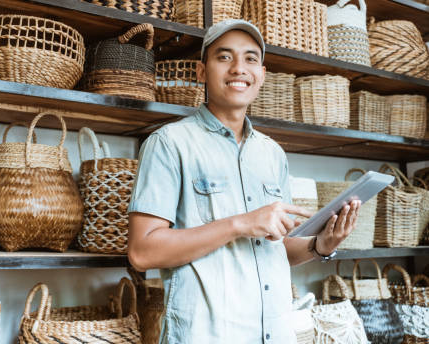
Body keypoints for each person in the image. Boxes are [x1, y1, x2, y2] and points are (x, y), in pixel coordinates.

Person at [127, 19, 360, 343]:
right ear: (201, 71)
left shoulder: (272, 153)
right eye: (224, 57)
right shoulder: (169, 143)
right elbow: (142, 252)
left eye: (250, 58)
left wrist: (320, 246)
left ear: (261, 74)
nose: (239, 68)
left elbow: (276, 250)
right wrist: (239, 224)